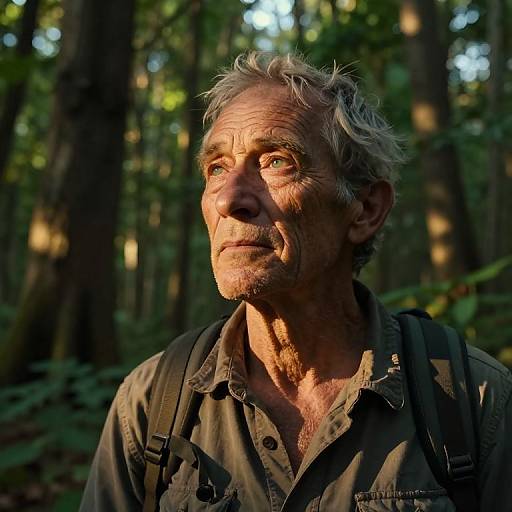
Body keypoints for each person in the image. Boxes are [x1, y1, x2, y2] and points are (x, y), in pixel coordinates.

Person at [80, 52, 512, 511]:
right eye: (217, 168)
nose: (230, 199)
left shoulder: (473, 400)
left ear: (365, 209)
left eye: (276, 161)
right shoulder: (153, 401)